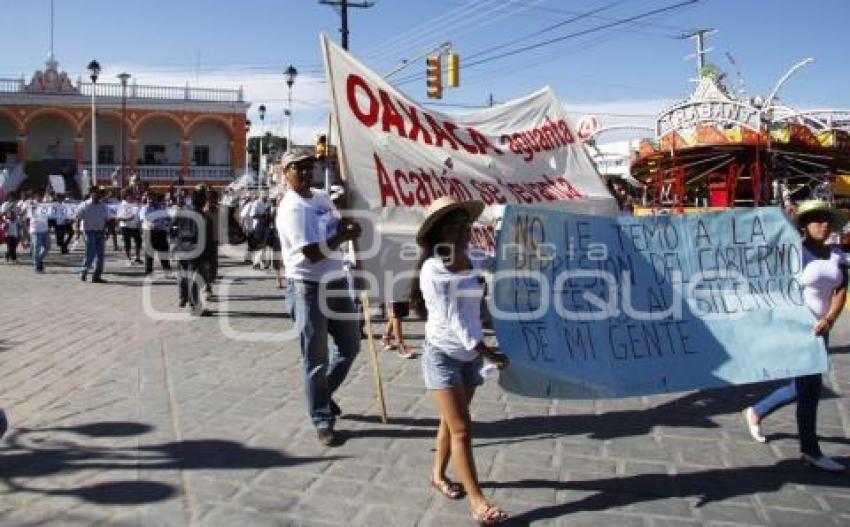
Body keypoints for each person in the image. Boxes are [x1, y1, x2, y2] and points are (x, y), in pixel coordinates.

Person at [409, 195, 510, 526]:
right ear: (438, 234)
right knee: (463, 429)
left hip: (470, 356)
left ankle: (438, 475)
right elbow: (457, 321)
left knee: (450, 424)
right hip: (444, 355)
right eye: (453, 228)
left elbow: (500, 263)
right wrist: (490, 353)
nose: (462, 233)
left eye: (465, 227)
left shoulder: (472, 258)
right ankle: (478, 503)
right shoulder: (433, 271)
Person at [743, 200, 848, 472]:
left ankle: (757, 411)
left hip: (820, 331)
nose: (823, 225)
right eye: (816, 220)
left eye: (827, 220)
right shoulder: (793, 253)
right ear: (803, 225)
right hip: (797, 331)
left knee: (803, 387)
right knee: (810, 389)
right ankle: (810, 450)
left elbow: (840, 290)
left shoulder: (837, 255)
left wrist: (829, 319)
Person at [277, 150, 362, 446]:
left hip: (337, 280)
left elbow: (337, 224)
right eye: (298, 168)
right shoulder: (291, 208)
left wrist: (348, 224)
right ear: (285, 172)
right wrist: (344, 237)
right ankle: (322, 418)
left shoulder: (321, 197)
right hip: (308, 287)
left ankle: (323, 394)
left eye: (309, 167)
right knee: (316, 358)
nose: (305, 172)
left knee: (351, 346)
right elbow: (312, 254)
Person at [169, 189, 212, 316]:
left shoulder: (182, 212)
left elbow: (171, 228)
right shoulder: (204, 217)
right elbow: (208, 238)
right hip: (196, 250)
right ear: (203, 201)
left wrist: (176, 241)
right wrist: (208, 256)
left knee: (183, 274)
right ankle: (194, 307)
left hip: (181, 247)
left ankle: (183, 297)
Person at [75, 188, 109, 283]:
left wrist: (107, 231)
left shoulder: (103, 206)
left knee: (100, 256)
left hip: (100, 232)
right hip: (89, 232)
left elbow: (106, 219)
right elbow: (78, 218)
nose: (97, 196)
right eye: (95, 194)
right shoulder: (85, 205)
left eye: (99, 194)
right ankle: (84, 272)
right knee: (90, 254)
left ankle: (96, 276)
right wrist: (77, 231)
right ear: (91, 194)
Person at [141, 193, 173, 275]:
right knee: (149, 253)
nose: (151, 201)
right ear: (147, 200)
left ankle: (167, 271)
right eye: (149, 199)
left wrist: (166, 223)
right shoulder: (144, 208)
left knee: (164, 252)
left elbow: (168, 218)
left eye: (153, 199)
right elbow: (145, 218)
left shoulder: (162, 208)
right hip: (149, 232)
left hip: (161, 232)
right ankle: (149, 271)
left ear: (156, 199)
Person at [118, 190, 143, 265]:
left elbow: (140, 215)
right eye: (129, 195)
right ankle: (128, 258)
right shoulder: (122, 204)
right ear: (125, 196)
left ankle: (137, 258)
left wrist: (140, 224)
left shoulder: (137, 204)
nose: (131, 196)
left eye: (132, 195)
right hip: (126, 227)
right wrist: (127, 218)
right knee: (127, 243)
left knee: (139, 242)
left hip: (135, 227)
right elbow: (119, 217)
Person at [28, 194, 51, 273]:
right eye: (38, 195)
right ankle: (36, 266)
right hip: (35, 229)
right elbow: (28, 211)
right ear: (36, 196)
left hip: (45, 229)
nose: (40, 197)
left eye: (41, 196)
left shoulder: (45, 203)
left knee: (48, 247)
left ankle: (39, 260)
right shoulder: (32, 203)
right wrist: (32, 205)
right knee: (36, 249)